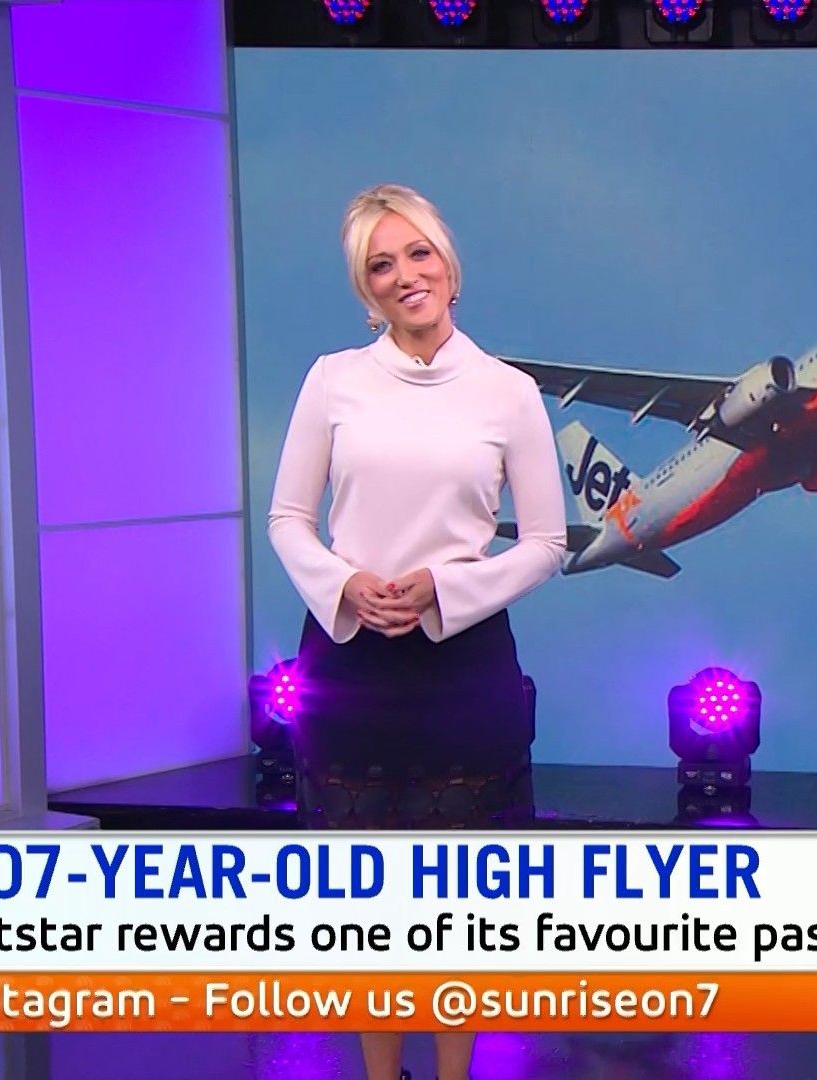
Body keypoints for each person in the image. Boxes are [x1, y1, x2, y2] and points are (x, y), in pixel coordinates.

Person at [268, 183, 568, 1080]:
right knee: (366, 905)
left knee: (457, 903)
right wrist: (346, 584)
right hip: (349, 664)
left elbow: (547, 542)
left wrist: (444, 588)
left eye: (418, 254)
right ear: (365, 290)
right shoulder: (332, 380)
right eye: (380, 266)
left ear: (449, 266)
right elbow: (289, 519)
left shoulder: (509, 393)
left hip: (463, 666)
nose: (405, 275)